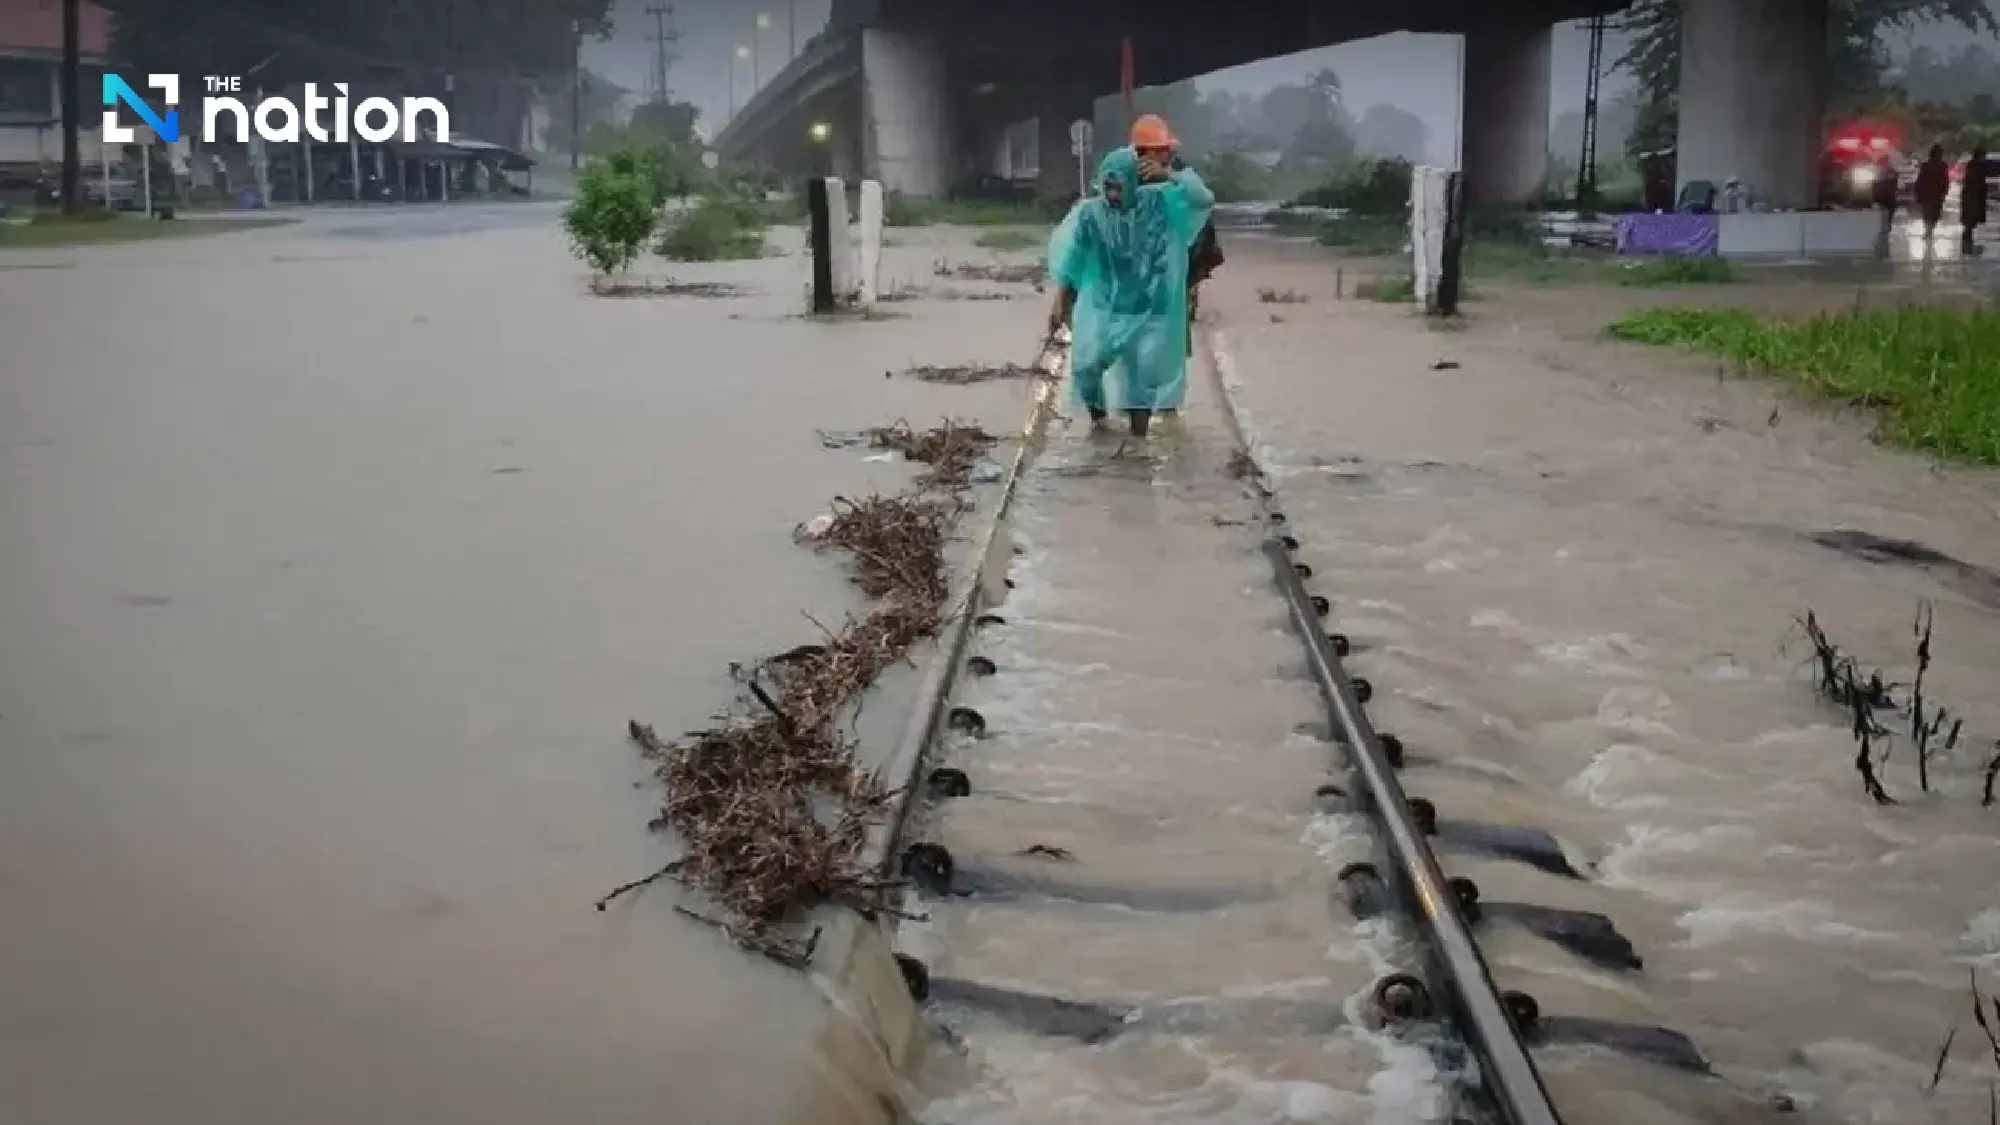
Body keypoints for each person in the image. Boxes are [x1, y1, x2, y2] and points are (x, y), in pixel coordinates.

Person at [1045, 146, 1215, 438]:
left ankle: (1138, 445)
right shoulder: (1090, 214)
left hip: (1149, 308)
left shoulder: (1159, 203)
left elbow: (1203, 199)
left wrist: (1171, 175)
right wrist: (1060, 300)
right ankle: (1099, 422)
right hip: (1103, 307)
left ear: (1133, 184)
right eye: (1107, 186)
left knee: (1144, 377)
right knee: (1086, 365)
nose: (1111, 194)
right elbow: (1073, 258)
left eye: (1118, 187)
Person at [1127, 114, 1224, 359]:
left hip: (1178, 257)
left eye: (1165, 149)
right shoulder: (1126, 172)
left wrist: (1169, 177)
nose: (1163, 155)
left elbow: (1205, 198)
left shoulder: (1181, 173)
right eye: (1156, 150)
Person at [1914, 145, 1951, 246]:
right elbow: (1945, 180)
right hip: (1934, 194)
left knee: (1930, 213)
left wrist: (1918, 193)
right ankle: (1929, 230)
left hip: (1931, 194)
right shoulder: (1939, 166)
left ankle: (1929, 230)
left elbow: (1920, 180)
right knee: (1933, 213)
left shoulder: (1930, 165)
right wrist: (1945, 191)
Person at [1962, 146, 1990, 255]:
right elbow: (1976, 182)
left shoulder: (1974, 166)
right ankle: (1967, 241)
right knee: (1970, 219)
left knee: (1971, 220)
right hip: (1973, 197)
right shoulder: (1976, 167)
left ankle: (1967, 240)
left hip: (1973, 196)